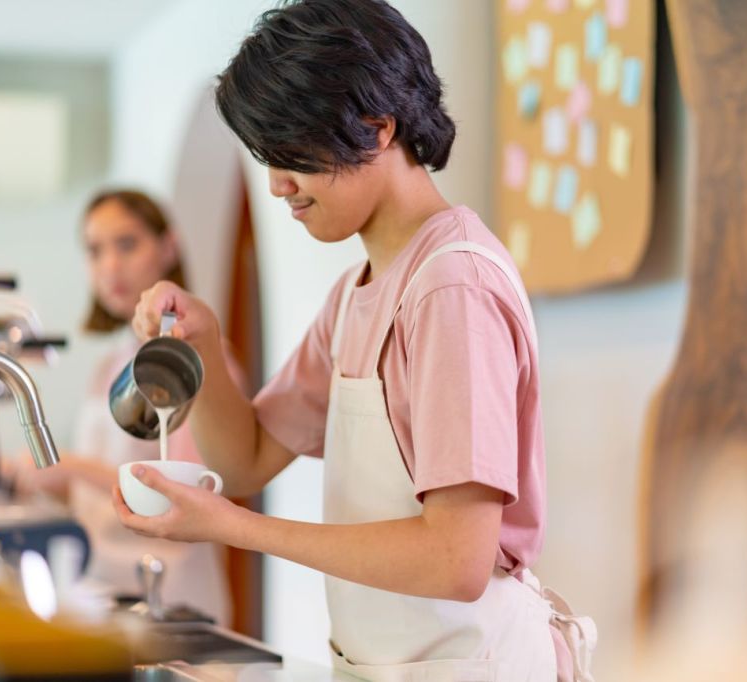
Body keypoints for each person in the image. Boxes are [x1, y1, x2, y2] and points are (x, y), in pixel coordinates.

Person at [114, 2, 595, 680]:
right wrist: (207, 343)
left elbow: (455, 559)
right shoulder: (355, 295)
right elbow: (247, 459)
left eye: (289, 154)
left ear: (375, 127)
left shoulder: (450, 286)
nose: (278, 185)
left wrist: (228, 527)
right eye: (267, 158)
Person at [12, 189, 236, 625]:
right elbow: (96, 493)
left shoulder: (198, 363)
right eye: (95, 250)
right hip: (105, 590)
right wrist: (24, 473)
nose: (109, 265)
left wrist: (71, 465)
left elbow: (188, 484)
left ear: (167, 248)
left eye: (127, 244)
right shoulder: (109, 368)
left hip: (174, 599)